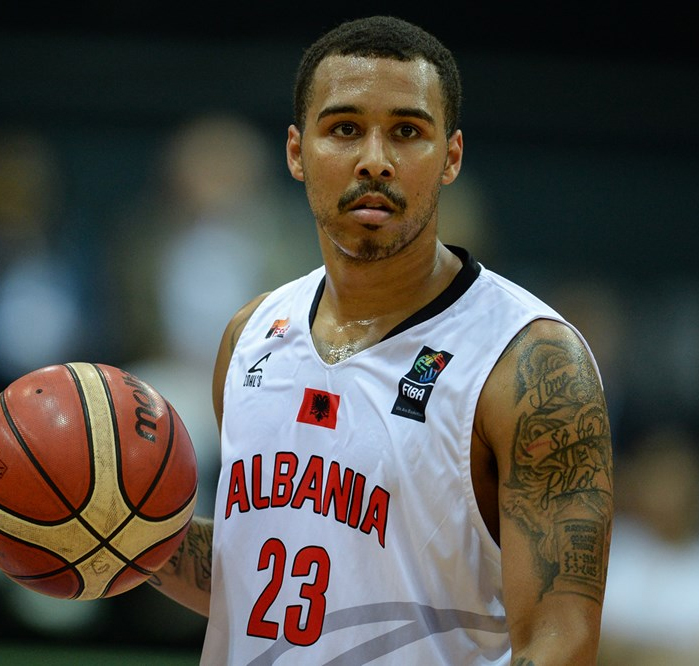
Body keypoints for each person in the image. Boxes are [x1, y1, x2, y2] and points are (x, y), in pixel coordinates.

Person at [140, 15, 614, 665]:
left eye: (407, 132)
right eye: (344, 129)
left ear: (451, 157)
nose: (374, 159)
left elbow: (562, 638)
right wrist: (118, 527)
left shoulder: (529, 361)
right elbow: (260, 582)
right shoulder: (249, 337)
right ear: (296, 152)